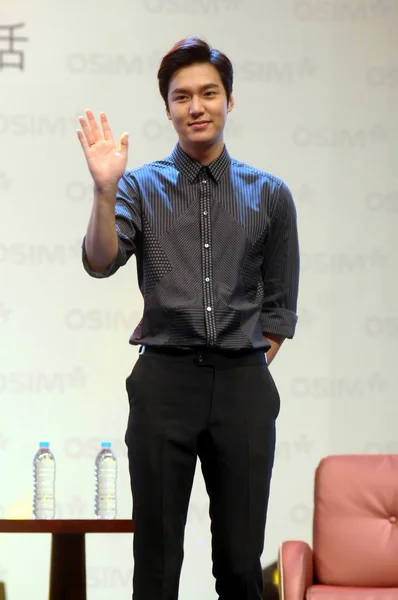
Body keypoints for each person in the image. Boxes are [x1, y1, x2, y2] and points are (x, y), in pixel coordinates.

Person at [78, 37, 300, 600]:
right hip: (164, 383)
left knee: (240, 564)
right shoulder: (139, 186)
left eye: (208, 93)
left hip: (241, 386)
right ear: (168, 107)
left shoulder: (269, 194)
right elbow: (101, 261)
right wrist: (104, 193)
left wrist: (238, 361)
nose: (195, 106)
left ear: (230, 100)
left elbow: (278, 308)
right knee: (155, 561)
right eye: (182, 97)